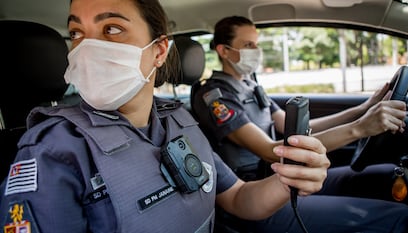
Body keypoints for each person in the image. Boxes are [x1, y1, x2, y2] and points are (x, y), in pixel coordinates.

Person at [0, 1, 330, 233]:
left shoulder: (178, 123)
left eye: (112, 28)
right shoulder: (52, 152)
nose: (87, 48)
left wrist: (290, 179)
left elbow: (239, 197)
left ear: (159, 51)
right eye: (76, 33)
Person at [191, 15, 408, 232]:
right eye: (248, 45)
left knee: (386, 175)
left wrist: (362, 109)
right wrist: (360, 128)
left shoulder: (251, 86)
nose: (256, 52)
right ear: (223, 50)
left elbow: (300, 127)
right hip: (256, 192)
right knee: (399, 219)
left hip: (282, 177)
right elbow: (271, 151)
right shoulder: (213, 96)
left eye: (256, 45)